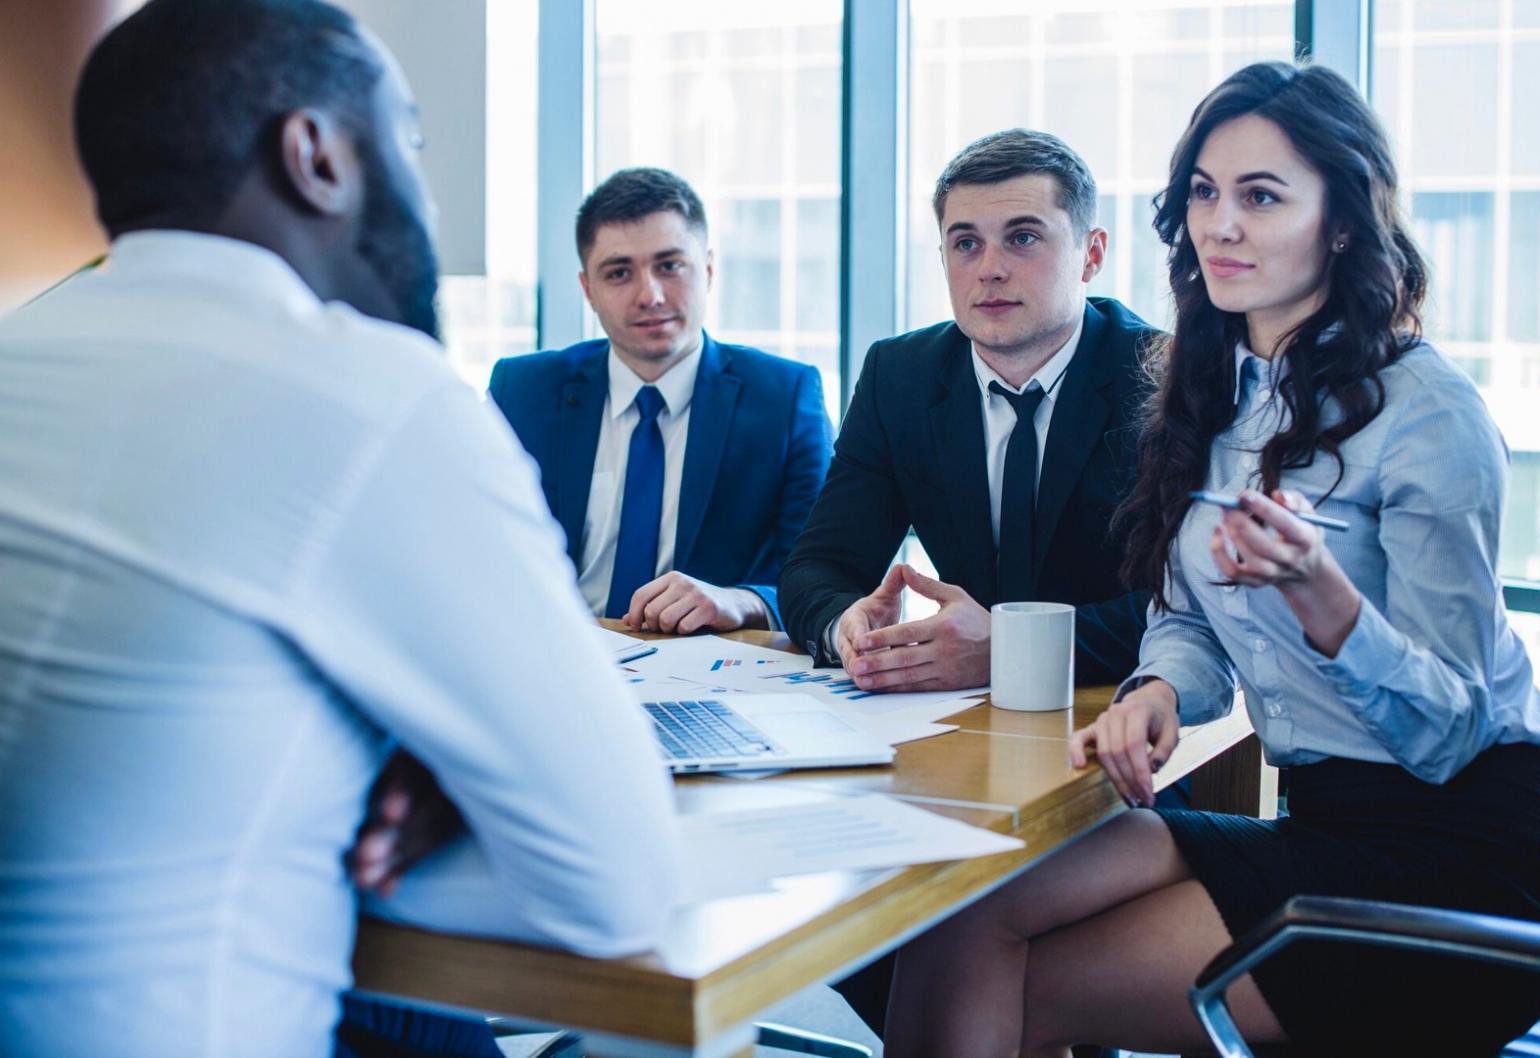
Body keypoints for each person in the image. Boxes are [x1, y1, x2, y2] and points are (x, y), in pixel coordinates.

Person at [0, 3, 678, 1058]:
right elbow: (625, 885)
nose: (429, 188)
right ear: (313, 153)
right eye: (406, 139)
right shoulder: (367, 392)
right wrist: (454, 774)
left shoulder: (21, 357)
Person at [885, 61, 1540, 1058]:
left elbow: (1447, 730)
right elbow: (1184, 617)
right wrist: (1158, 689)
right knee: (957, 905)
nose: (1220, 224)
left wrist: (1325, 599)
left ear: (1339, 222)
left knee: (1003, 987)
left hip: (1459, 864)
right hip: (1321, 824)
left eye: (1259, 196)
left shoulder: (1429, 413)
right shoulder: (1211, 394)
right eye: (1204, 193)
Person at [778, 128, 1152, 695]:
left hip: (1120, 713)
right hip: (955, 713)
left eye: (1022, 239)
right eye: (966, 244)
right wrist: (845, 627)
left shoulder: (1162, 377)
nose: (989, 269)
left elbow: (1191, 605)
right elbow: (819, 566)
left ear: (1091, 255)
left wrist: (1009, 651)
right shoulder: (899, 376)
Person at [489, 167, 832, 634]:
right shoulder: (521, 391)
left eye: (670, 266)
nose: (649, 296)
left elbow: (825, 574)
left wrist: (741, 600)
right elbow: (472, 545)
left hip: (712, 670)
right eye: (619, 273)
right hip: (555, 654)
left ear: (708, 270)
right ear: (588, 289)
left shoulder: (785, 398)